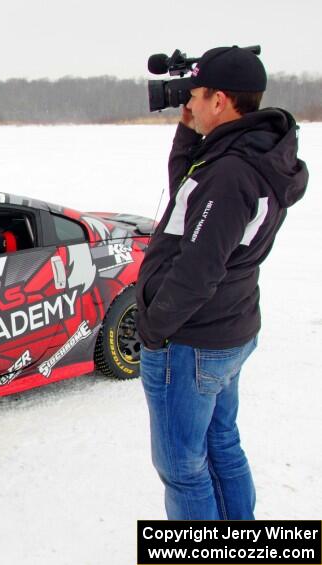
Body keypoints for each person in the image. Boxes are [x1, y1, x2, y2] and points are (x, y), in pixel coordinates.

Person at [136, 46, 308, 520]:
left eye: (194, 95)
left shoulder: (230, 172)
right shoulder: (250, 153)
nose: (187, 103)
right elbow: (185, 194)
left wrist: (155, 328)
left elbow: (198, 270)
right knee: (222, 445)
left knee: (183, 468)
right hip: (226, 327)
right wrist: (187, 127)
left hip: (191, 339)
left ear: (220, 99)